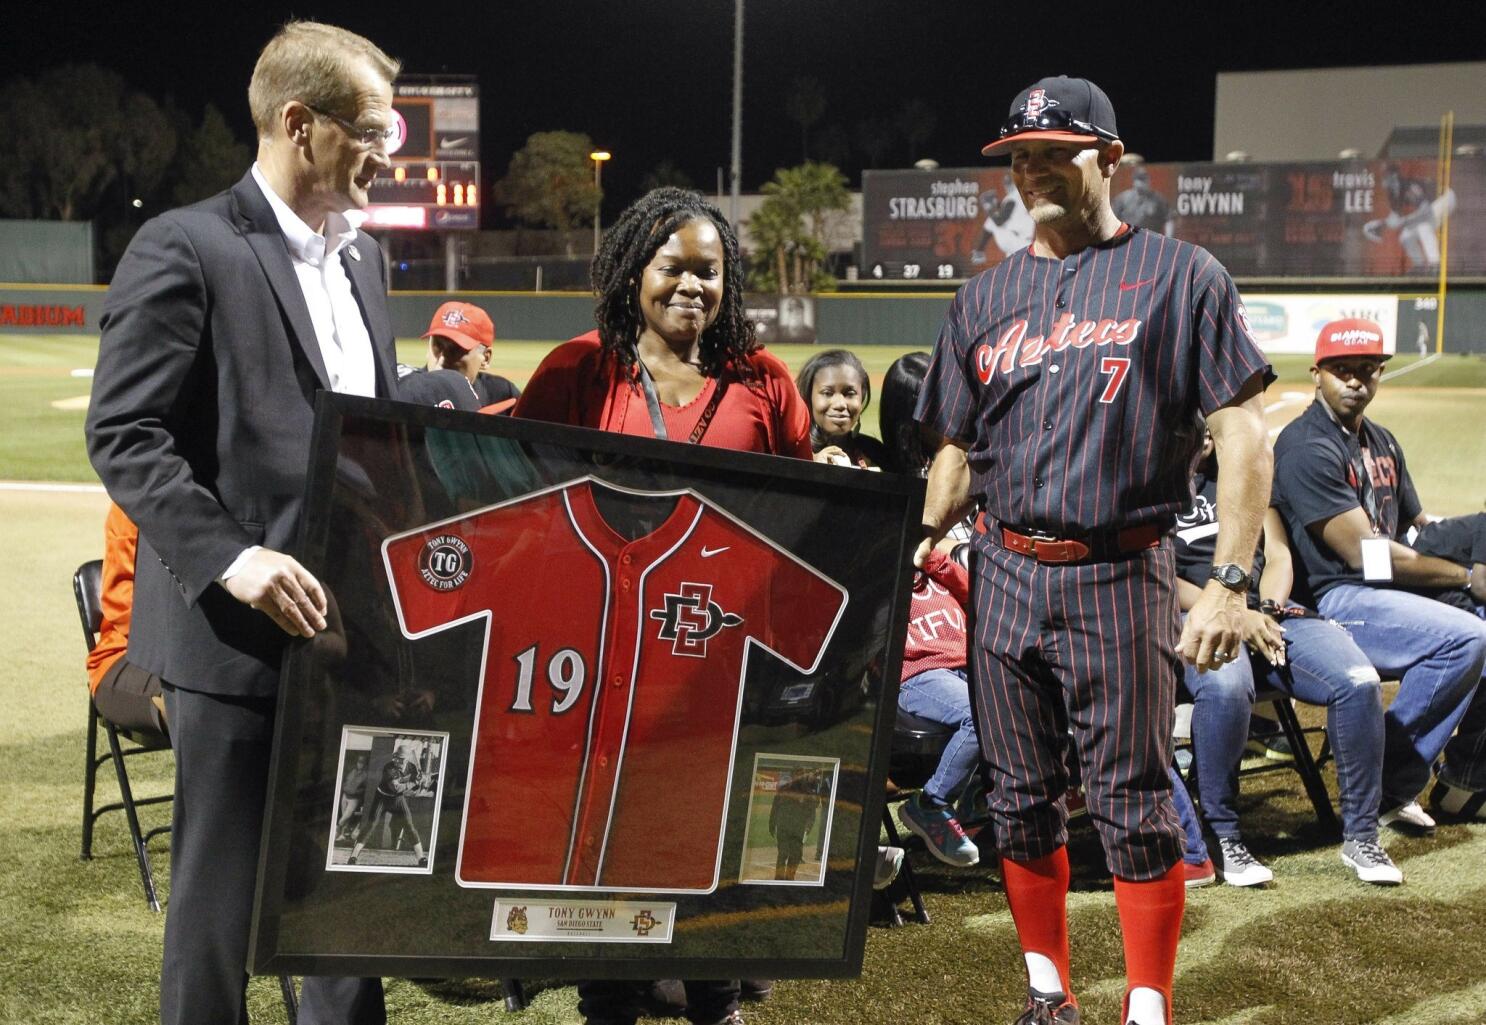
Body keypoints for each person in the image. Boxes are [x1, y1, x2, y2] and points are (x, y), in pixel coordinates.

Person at [914, 76, 1273, 1025]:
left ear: (1110, 158)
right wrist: (913, 540)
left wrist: (1231, 580)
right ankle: (1048, 992)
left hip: (1121, 569)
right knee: (1022, 795)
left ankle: (1147, 1003)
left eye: (1054, 152)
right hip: (1002, 572)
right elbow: (954, 449)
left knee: (1134, 799)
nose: (1030, 169)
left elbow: (1241, 433)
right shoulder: (984, 297)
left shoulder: (1180, 274)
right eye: (1018, 156)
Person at [84, 21, 400, 1025]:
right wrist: (233, 558)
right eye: (370, 131)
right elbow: (124, 432)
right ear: (298, 123)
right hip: (233, 647)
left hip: (357, 639)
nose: (385, 156)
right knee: (218, 921)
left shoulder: (368, 265)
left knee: (351, 906)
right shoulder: (186, 244)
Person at [515, 186, 825, 1025]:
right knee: (605, 844)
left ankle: (715, 1000)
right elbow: (526, 501)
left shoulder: (762, 379)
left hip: (720, 662)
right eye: (672, 267)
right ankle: (609, 1000)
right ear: (630, 275)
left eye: (710, 271)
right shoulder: (577, 369)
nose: (693, 286)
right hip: (601, 658)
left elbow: (806, 513)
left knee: (710, 843)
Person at [1271, 317, 1486, 828]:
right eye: (1341, 370)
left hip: (1386, 592)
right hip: (1334, 601)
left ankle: (1465, 779)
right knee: (1467, 638)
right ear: (1316, 373)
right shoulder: (1306, 447)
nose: (1355, 381)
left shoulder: (1382, 441)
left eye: (1366, 370)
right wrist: (1464, 578)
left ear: (1380, 373)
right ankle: (1387, 783)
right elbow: (1367, 557)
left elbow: (1418, 526)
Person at [1175, 431, 1399, 885]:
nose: (1202, 439)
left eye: (1208, 429)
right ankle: (1224, 833)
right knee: (1227, 684)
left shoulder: (1242, 476)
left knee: (1358, 681)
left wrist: (1267, 609)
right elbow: (1159, 574)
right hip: (1197, 617)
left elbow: (1277, 554)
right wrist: (1233, 612)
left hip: (1269, 614)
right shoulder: (1152, 488)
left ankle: (1361, 835)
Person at [896, 544, 982, 868]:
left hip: (964, 666)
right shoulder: (885, 581)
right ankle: (931, 803)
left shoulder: (936, 573)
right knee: (978, 717)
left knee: (1016, 704)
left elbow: (975, 596)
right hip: (919, 676)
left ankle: (982, 797)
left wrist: (930, 555)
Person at [86, 502, 169, 736]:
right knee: (199, 701)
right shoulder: (133, 505)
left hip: (201, 658)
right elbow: (121, 605)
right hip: (124, 656)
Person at [396, 300, 521, 412]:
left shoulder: (502, 395)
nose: (443, 359)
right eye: (438, 346)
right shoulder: (403, 391)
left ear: (485, 358)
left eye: (456, 350)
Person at [795, 348, 886, 468]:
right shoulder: (793, 451)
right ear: (809, 397)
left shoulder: (875, 453)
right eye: (827, 393)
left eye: (850, 393)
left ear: (862, 398)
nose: (840, 404)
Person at [347, 743, 429, 867]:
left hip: (398, 800)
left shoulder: (412, 767)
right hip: (382, 798)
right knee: (371, 825)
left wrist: (422, 781)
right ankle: (353, 857)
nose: (396, 760)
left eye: (400, 758)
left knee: (409, 826)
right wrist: (414, 782)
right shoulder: (389, 768)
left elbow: (417, 787)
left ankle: (421, 858)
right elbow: (396, 788)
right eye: (395, 757)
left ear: (407, 759)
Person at [1111, 164, 1173, 235]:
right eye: (1139, 180)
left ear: (1148, 181)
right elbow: (1112, 219)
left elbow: (1169, 219)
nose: (1141, 184)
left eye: (1144, 180)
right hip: (1127, 239)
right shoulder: (1123, 198)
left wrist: (1169, 238)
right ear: (1134, 182)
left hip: (1151, 239)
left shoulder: (1158, 199)